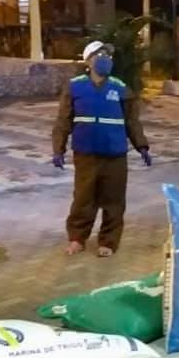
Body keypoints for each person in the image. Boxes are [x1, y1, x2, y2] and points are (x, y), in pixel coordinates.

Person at [52, 41, 151, 258]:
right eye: (100, 55)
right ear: (88, 61)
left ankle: (108, 241)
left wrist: (142, 146)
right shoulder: (75, 87)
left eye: (108, 55)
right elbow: (63, 121)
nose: (105, 58)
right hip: (86, 153)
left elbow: (132, 121)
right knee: (83, 198)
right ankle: (77, 238)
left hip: (115, 154)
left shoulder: (120, 88)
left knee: (114, 200)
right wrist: (58, 149)